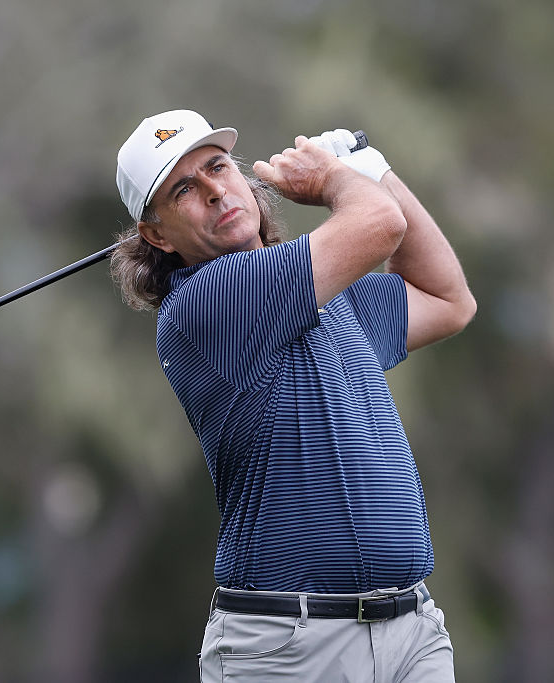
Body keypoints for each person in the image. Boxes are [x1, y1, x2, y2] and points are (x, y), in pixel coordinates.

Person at [112, 109, 476, 682]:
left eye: (218, 167)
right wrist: (335, 178)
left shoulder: (332, 300)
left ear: (243, 178)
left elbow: (448, 299)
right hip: (289, 650)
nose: (213, 191)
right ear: (156, 235)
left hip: (411, 633)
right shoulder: (205, 304)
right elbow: (379, 224)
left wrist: (371, 167)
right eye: (184, 188)